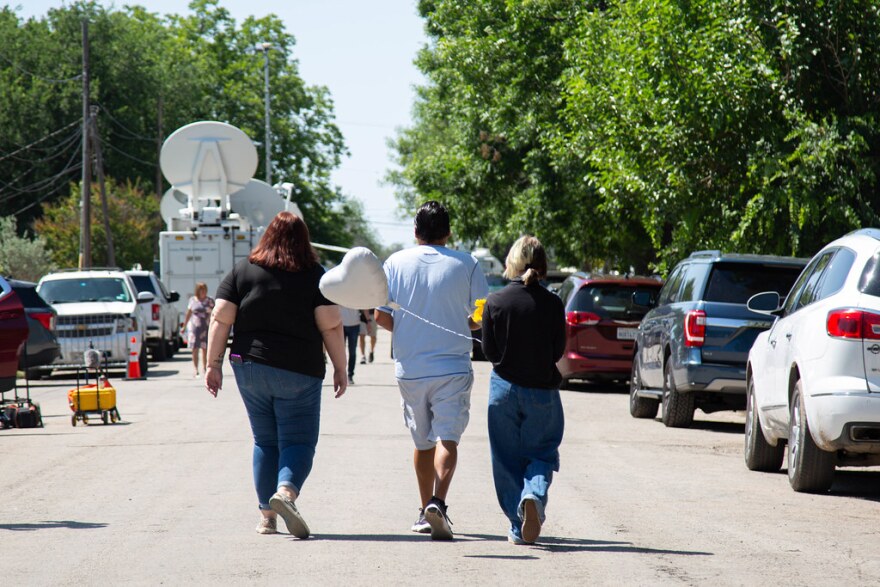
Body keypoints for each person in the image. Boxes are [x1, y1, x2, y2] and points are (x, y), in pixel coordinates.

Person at [204, 211, 348, 538]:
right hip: (299, 370)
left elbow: (220, 317)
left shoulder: (242, 271)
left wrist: (213, 364)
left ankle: (266, 518)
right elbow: (331, 324)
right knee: (298, 440)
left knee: (264, 441)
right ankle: (285, 494)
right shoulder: (315, 276)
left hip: (248, 367)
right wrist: (341, 368)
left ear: (266, 236)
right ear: (304, 240)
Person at [375, 200, 489, 541]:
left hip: (409, 368)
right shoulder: (468, 264)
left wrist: (412, 330)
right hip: (453, 366)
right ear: (448, 232)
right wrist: (458, 323)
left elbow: (380, 315)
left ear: (415, 232)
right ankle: (439, 501)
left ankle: (425, 508)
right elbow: (482, 314)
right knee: (447, 437)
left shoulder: (394, 263)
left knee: (422, 442)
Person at [480, 235, 566, 545]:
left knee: (505, 458)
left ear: (513, 262)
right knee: (541, 452)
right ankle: (533, 495)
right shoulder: (554, 303)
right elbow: (558, 350)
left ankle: (517, 525)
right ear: (542, 264)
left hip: (503, 389)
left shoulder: (496, 301)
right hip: (542, 390)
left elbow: (489, 351)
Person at [181, 282, 214, 377]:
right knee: (194, 349)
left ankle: (205, 368)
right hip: (194, 328)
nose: (202, 291)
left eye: (204, 289)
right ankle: (195, 369)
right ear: (197, 290)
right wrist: (184, 326)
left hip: (206, 327)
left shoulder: (210, 300)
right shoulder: (192, 300)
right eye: (200, 289)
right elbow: (188, 314)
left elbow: (215, 312)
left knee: (205, 349)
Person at [340, 306, 361, 384]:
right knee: (341, 352)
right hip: (341, 324)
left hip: (354, 324)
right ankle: (341, 374)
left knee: (352, 352)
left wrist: (368, 320)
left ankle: (350, 375)